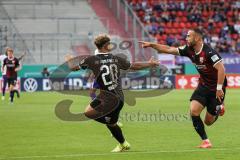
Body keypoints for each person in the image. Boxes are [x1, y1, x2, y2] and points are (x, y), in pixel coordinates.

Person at [65, 34, 159, 152]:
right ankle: (123, 143)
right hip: (116, 98)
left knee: (90, 114)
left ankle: (119, 135)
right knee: (107, 121)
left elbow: (73, 68)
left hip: (110, 100)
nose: (111, 45)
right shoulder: (116, 58)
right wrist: (149, 64)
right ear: (105, 46)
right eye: (109, 43)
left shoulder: (90, 60)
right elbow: (134, 66)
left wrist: (69, 61)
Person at [139, 28, 227, 148]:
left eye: (189, 36)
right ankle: (206, 141)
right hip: (203, 85)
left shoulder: (209, 52)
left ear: (197, 38)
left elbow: (221, 69)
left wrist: (218, 88)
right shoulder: (188, 50)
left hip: (217, 88)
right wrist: (152, 45)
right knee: (194, 111)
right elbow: (169, 49)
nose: (186, 38)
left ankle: (219, 108)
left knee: (209, 122)